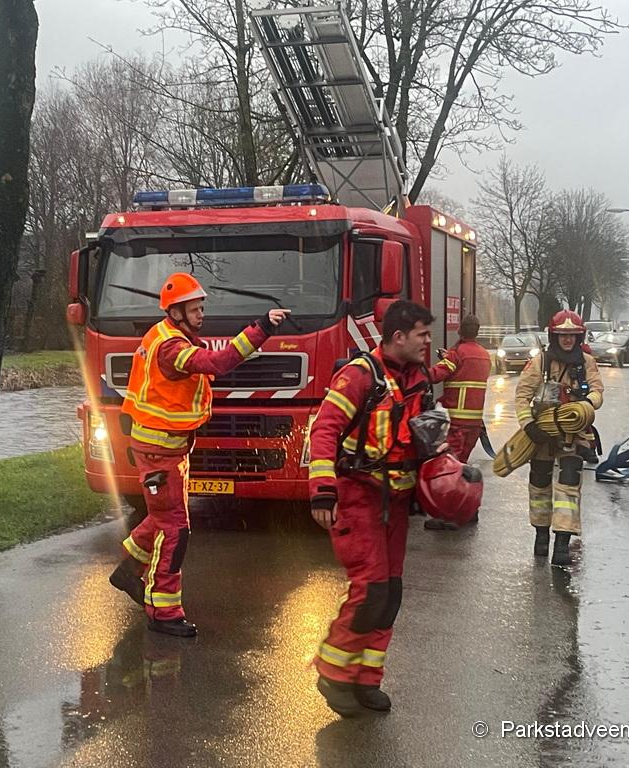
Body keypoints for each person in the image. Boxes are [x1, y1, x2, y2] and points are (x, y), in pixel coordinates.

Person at [108, 273, 288, 637]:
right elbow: (218, 363)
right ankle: (163, 611)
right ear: (176, 312)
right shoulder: (171, 348)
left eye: (202, 308)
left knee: (163, 518)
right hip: (160, 452)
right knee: (175, 530)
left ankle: (129, 570)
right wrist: (262, 328)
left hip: (166, 449)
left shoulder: (166, 334)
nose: (201, 314)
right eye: (195, 309)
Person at [307, 300, 434, 717]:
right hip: (358, 496)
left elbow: (424, 437)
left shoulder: (417, 378)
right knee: (372, 590)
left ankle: (366, 678)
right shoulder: (360, 376)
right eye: (422, 334)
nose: (428, 342)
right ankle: (333, 672)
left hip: (396, 502)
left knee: (390, 594)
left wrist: (442, 480)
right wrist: (323, 491)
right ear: (398, 337)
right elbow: (324, 430)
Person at [515, 310, 604, 567]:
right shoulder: (540, 362)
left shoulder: (587, 362)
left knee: (569, 485)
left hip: (573, 435)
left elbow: (598, 391)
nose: (568, 340)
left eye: (572, 335)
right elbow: (522, 396)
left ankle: (562, 543)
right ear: (554, 336)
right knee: (539, 484)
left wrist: (586, 404)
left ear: (579, 337)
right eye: (563, 335)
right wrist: (529, 425)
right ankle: (541, 535)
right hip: (542, 434)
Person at [429, 314, 492, 462]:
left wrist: (413, 371)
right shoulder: (485, 355)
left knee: (450, 464)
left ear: (460, 331)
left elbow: (435, 376)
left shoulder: (457, 353)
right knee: (461, 462)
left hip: (456, 422)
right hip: (475, 423)